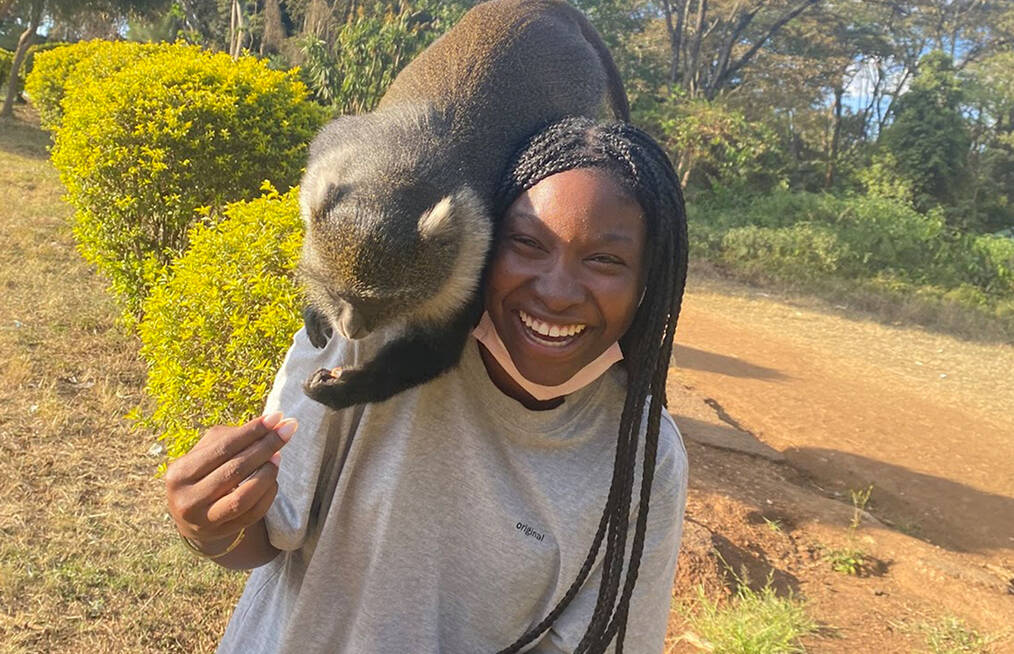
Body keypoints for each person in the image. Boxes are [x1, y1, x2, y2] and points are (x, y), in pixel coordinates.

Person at [166, 117, 690, 653]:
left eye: (605, 259)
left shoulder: (642, 457)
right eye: (528, 244)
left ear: (652, 279)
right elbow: (268, 537)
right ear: (482, 244)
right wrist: (209, 527)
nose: (557, 294)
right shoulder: (366, 340)